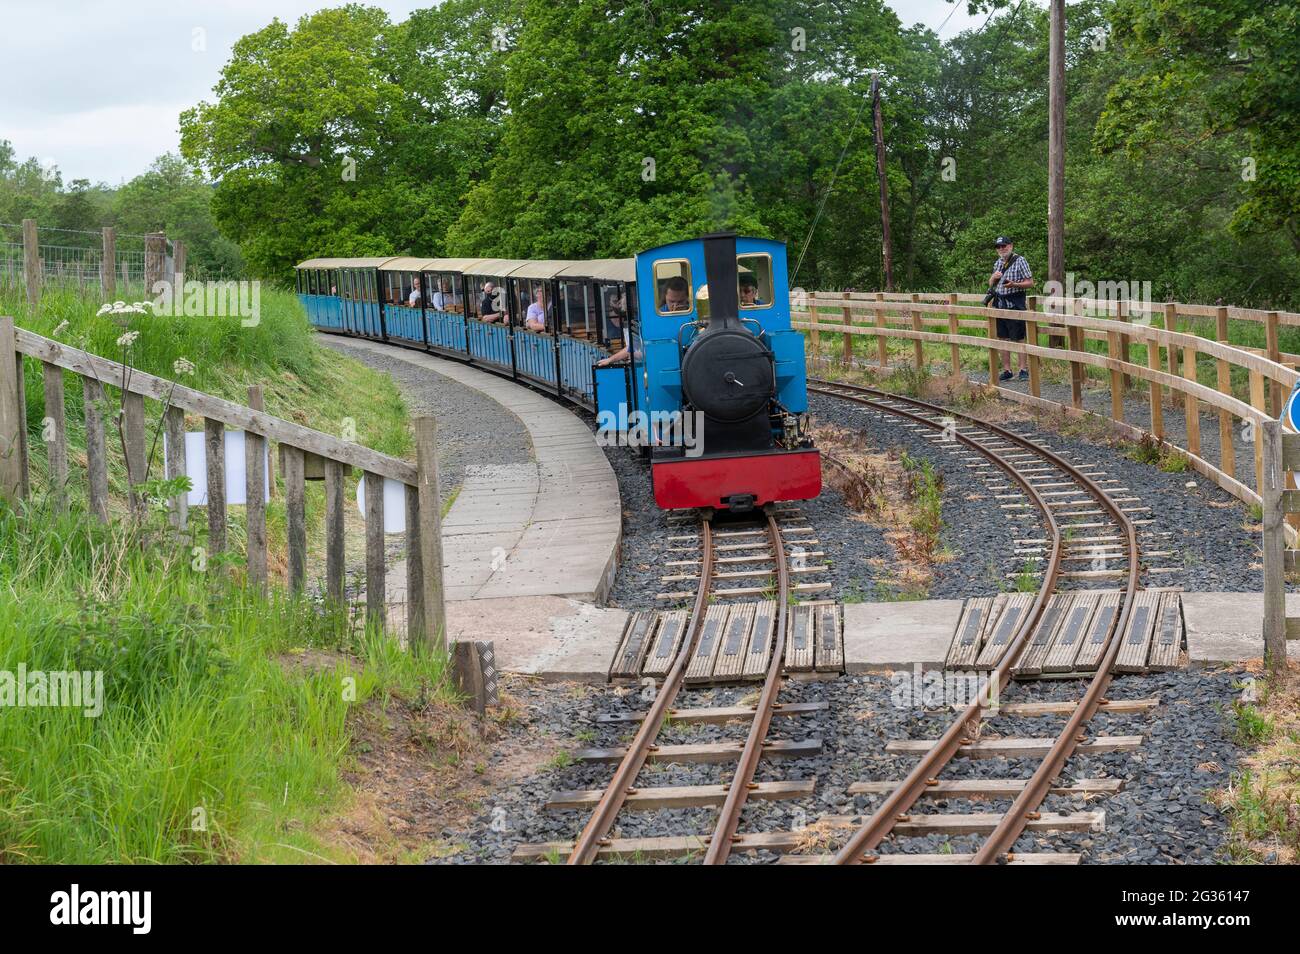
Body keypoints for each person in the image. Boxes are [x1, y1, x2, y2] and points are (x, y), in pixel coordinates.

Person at [988, 235, 1033, 381]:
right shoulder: (998, 263)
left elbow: (1030, 283)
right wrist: (993, 278)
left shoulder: (1020, 260)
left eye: (1004, 246)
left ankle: (1022, 370)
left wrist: (1014, 284)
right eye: (999, 247)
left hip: (1015, 302)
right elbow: (990, 284)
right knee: (1003, 337)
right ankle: (1007, 370)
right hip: (1000, 303)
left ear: (1011, 246)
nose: (1001, 249)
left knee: (1019, 337)